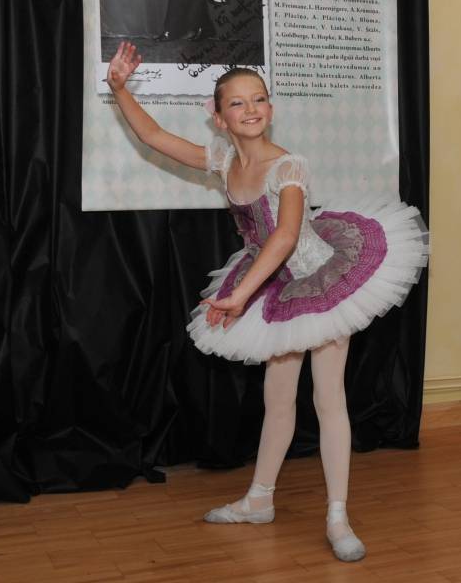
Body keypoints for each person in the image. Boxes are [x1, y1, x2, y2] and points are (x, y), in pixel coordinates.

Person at [105, 43, 429, 562]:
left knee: (328, 398)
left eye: (259, 99)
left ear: (271, 109)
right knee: (277, 399)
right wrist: (120, 88)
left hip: (321, 280)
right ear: (218, 118)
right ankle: (259, 499)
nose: (251, 108)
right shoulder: (223, 159)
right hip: (272, 283)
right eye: (237, 103)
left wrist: (239, 295)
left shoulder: (288, 167)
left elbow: (285, 237)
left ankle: (338, 515)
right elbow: (155, 137)